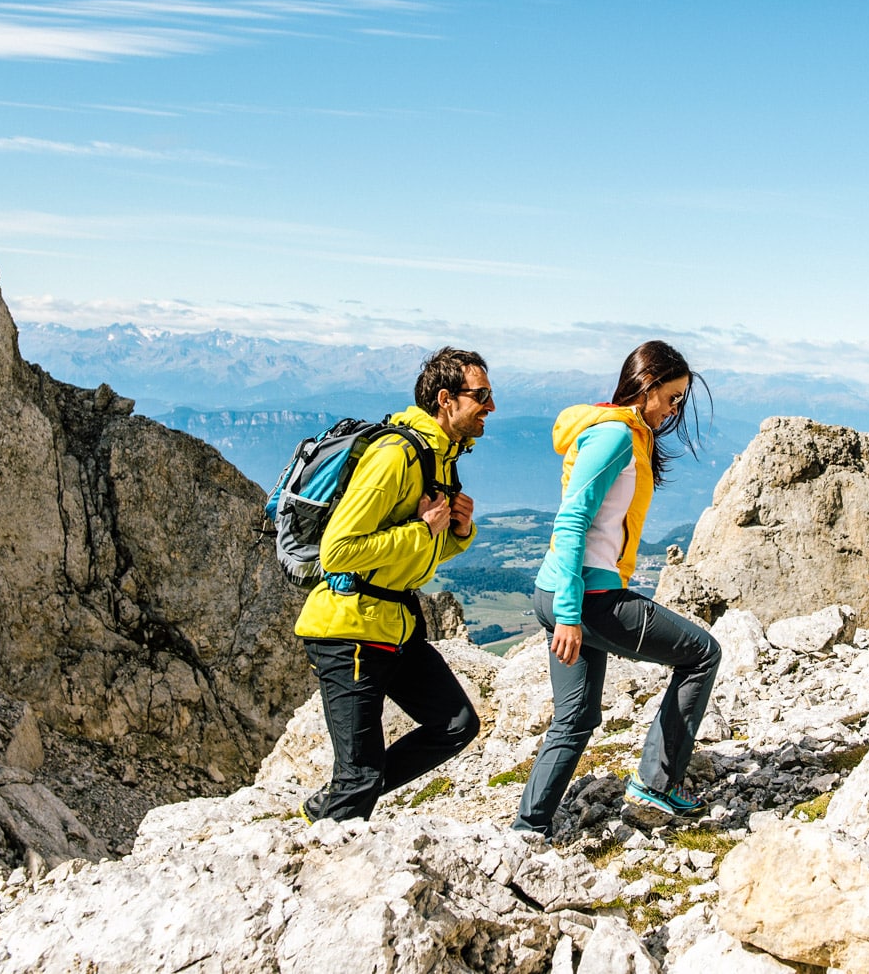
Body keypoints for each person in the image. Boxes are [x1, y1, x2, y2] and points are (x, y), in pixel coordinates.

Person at [513, 340, 721, 838]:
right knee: (701, 655)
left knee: (577, 717)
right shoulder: (613, 437)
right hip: (586, 599)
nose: (674, 410)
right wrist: (568, 613)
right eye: (672, 398)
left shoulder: (626, 433)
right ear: (646, 387)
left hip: (568, 591)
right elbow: (571, 522)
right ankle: (656, 783)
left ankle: (526, 829)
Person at [294, 346, 491, 821]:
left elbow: (412, 557)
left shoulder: (441, 459)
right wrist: (421, 529)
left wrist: (456, 535)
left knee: (456, 724)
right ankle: (332, 830)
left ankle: (338, 800)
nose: (490, 406)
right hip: (348, 630)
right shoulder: (395, 456)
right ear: (446, 399)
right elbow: (337, 551)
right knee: (360, 776)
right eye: (481, 395)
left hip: (394, 625)